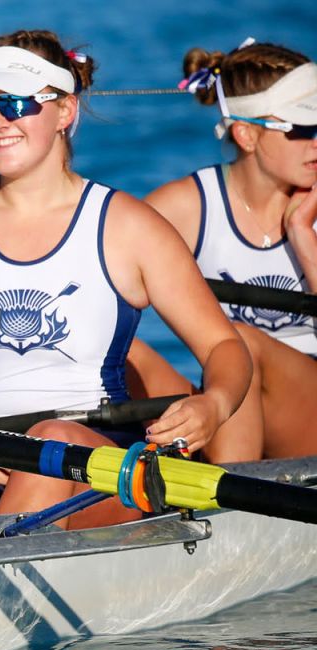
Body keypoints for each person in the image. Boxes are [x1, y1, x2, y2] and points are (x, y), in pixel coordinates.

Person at [0, 30, 251, 528]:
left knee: (53, 438)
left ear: (66, 112)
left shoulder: (126, 225)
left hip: (93, 467)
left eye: (17, 104)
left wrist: (213, 403)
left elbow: (223, 347)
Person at [126, 39, 317, 462]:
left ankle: (226, 511)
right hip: (229, 406)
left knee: (242, 344)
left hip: (309, 413)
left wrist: (303, 234)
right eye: (304, 128)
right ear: (246, 134)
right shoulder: (186, 205)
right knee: (114, 348)